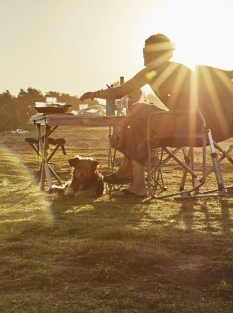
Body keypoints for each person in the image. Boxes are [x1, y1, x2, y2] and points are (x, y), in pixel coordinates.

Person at [80, 33, 193, 198]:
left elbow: (119, 92)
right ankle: (136, 183)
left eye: (145, 51)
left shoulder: (153, 70)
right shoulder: (179, 68)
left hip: (183, 123)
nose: (143, 55)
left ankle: (127, 170)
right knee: (134, 126)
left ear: (154, 52)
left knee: (137, 108)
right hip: (193, 121)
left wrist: (94, 93)